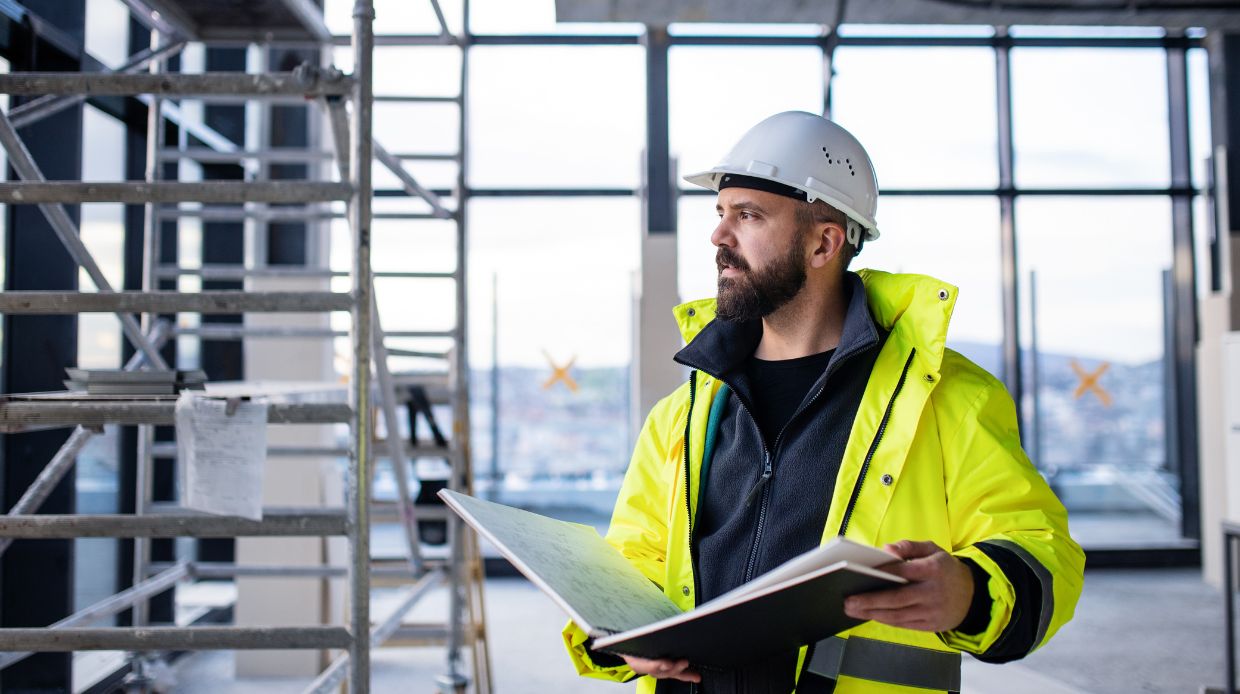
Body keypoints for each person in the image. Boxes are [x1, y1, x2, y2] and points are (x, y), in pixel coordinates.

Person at [561, 111, 1084, 693]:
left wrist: (969, 590)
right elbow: (633, 559)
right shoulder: (683, 414)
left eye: (748, 215)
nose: (718, 236)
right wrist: (615, 633)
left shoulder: (948, 399)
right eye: (720, 213)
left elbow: (1043, 548)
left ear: (823, 242)